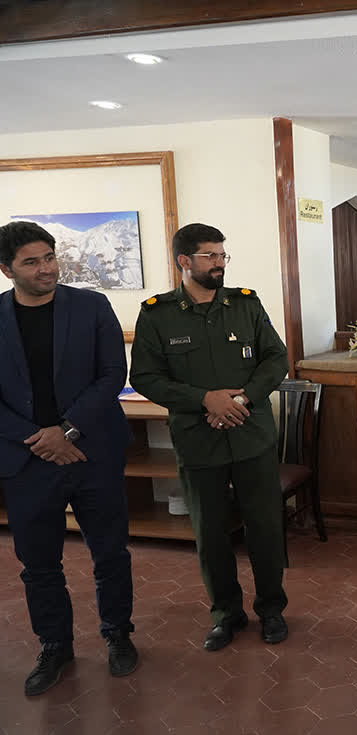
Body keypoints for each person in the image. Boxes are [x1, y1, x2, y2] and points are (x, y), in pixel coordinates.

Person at [130, 223, 291, 652]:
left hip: (252, 435)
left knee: (264, 527)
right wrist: (205, 400)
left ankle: (271, 609)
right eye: (210, 256)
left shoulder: (246, 305)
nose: (220, 263)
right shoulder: (157, 314)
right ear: (184, 260)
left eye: (222, 255)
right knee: (211, 532)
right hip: (198, 439)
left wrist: (241, 399)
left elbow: (276, 358)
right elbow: (144, 376)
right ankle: (226, 614)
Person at [0, 221, 138, 696]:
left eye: (49, 257)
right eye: (31, 262)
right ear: (7, 270)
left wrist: (67, 430)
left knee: (110, 552)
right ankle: (54, 645)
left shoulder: (91, 307)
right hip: (27, 460)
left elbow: (112, 374)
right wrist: (39, 439)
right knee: (39, 564)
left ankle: (118, 634)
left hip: (92, 452)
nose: (46, 269)